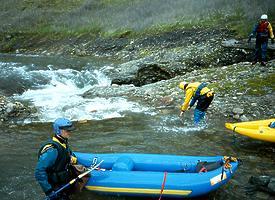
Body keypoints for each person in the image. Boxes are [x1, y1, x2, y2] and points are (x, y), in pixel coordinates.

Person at [35, 118, 78, 200]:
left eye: (70, 130)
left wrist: (72, 159)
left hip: (63, 184)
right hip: (55, 188)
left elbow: (69, 154)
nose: (70, 132)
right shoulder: (52, 150)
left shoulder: (63, 142)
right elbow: (39, 172)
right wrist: (48, 191)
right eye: (67, 130)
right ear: (58, 131)